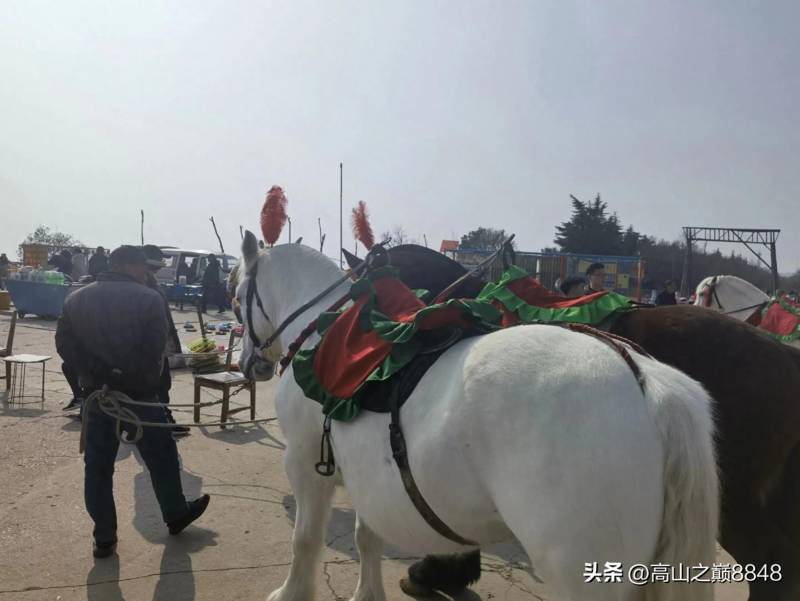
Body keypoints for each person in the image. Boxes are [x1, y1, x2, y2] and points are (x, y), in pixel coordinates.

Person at [55, 245, 210, 559]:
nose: (146, 273)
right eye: (143, 267)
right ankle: (176, 513)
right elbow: (154, 351)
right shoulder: (150, 299)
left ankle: (104, 538)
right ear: (130, 266)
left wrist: (98, 373)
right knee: (162, 457)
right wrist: (126, 376)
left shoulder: (76, 299)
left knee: (97, 469)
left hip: (99, 397)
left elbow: (64, 345)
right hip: (139, 396)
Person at [142, 245, 189, 436]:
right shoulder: (139, 285)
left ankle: (162, 418)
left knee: (162, 384)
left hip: (159, 344)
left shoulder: (151, 281)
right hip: (145, 346)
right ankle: (157, 423)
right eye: (155, 266)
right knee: (153, 386)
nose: (158, 269)